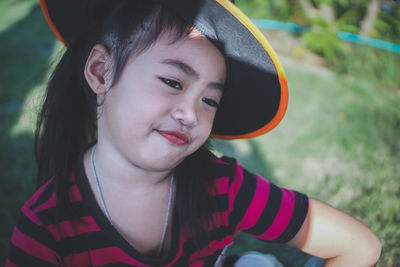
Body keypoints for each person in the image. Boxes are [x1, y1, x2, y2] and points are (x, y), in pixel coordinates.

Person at [6, 0, 381, 266]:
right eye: (172, 81)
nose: (190, 113)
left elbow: (360, 247)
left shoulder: (225, 189)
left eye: (210, 100)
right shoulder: (46, 226)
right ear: (102, 71)